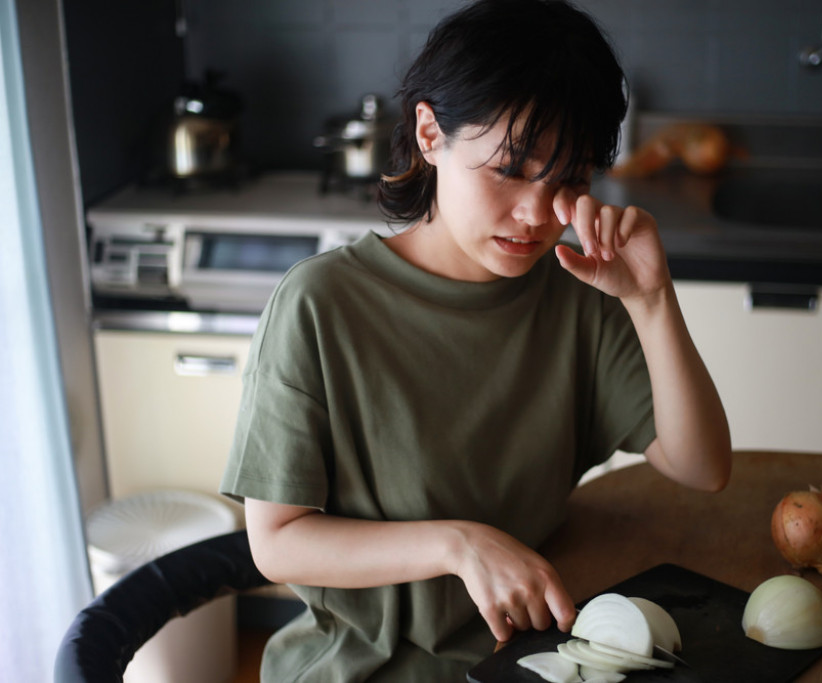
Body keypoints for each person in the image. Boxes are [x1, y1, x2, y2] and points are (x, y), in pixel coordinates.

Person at [220, 0, 731, 680]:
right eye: (509, 169)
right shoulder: (320, 305)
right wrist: (458, 544)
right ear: (430, 133)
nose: (536, 214)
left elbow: (702, 466)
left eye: (570, 179)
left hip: (529, 659)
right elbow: (277, 542)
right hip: (363, 670)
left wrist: (651, 298)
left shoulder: (579, 294)